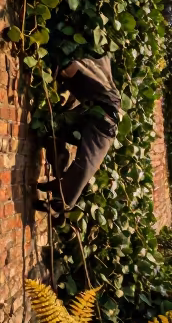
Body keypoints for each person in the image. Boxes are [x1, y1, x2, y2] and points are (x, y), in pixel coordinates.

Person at [36, 54, 121, 214]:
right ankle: (60, 171)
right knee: (54, 129)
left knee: (86, 162)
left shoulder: (80, 65)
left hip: (104, 121)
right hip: (90, 115)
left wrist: (56, 74)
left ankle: (62, 202)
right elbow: (73, 99)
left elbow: (71, 71)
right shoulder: (95, 66)